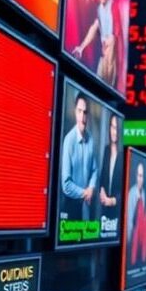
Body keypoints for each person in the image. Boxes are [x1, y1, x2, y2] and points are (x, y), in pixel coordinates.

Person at [73, 0, 119, 87]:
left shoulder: (114, 7)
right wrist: (81, 48)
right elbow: (94, 27)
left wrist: (110, 42)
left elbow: (116, 37)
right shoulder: (99, 8)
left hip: (110, 61)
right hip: (103, 60)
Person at [61, 92, 98, 222]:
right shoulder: (68, 141)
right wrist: (84, 192)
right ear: (75, 112)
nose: (82, 116)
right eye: (79, 111)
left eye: (85, 112)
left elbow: (94, 169)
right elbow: (66, 185)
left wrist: (91, 187)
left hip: (86, 207)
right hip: (71, 208)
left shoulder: (91, 139)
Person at [98, 114, 123, 214]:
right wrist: (102, 190)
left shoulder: (123, 155)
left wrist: (112, 201)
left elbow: (125, 188)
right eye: (112, 127)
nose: (114, 132)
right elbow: (102, 178)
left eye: (116, 128)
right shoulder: (106, 150)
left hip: (117, 211)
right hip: (105, 209)